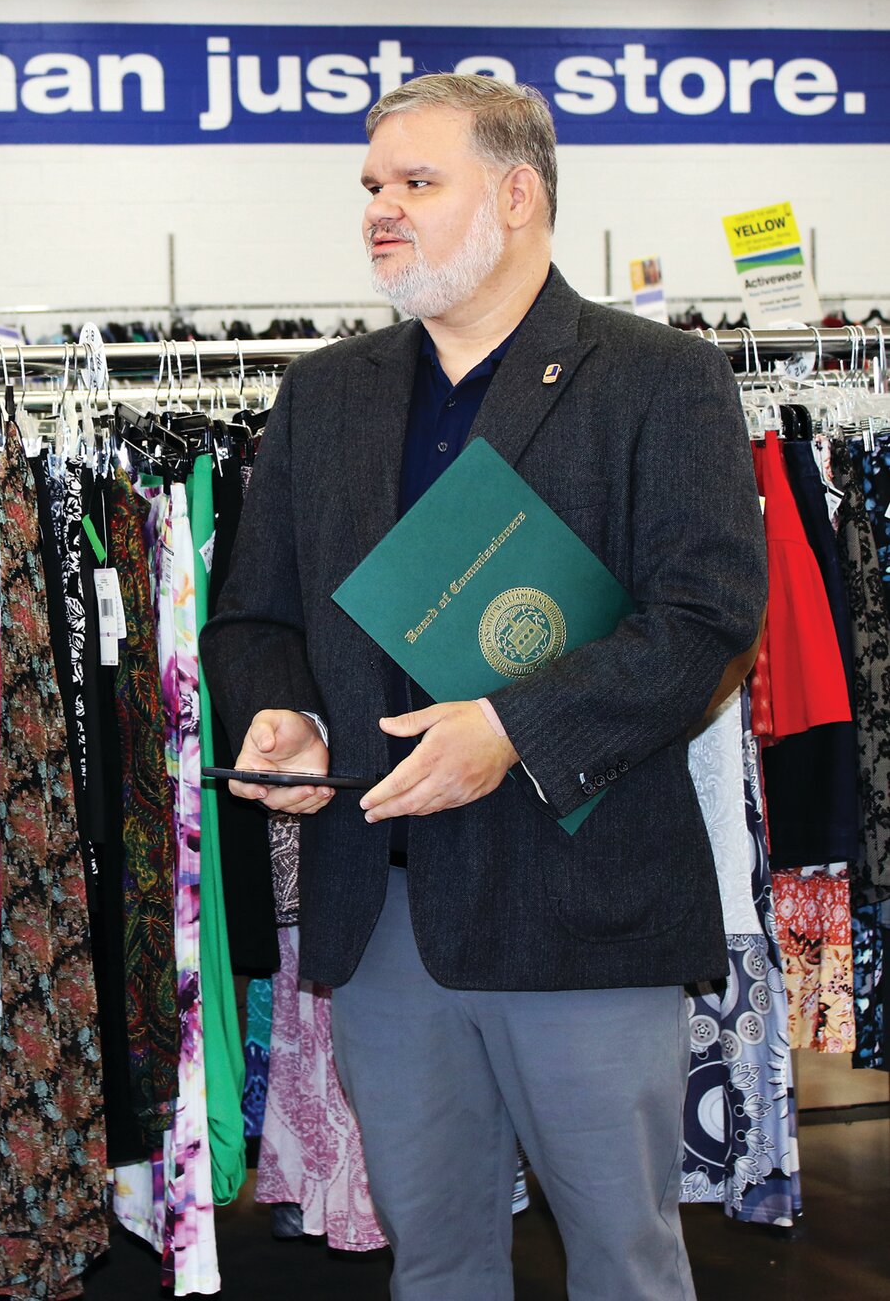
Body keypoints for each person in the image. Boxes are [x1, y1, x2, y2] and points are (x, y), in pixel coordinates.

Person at [199, 73, 766, 1300]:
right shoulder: (326, 393)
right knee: (439, 1260)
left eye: (415, 182)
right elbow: (252, 614)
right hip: (383, 915)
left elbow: (708, 623)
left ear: (517, 195)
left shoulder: (659, 377)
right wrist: (280, 711)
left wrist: (513, 727)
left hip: (585, 907)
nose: (379, 211)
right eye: (370, 186)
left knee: (625, 1260)